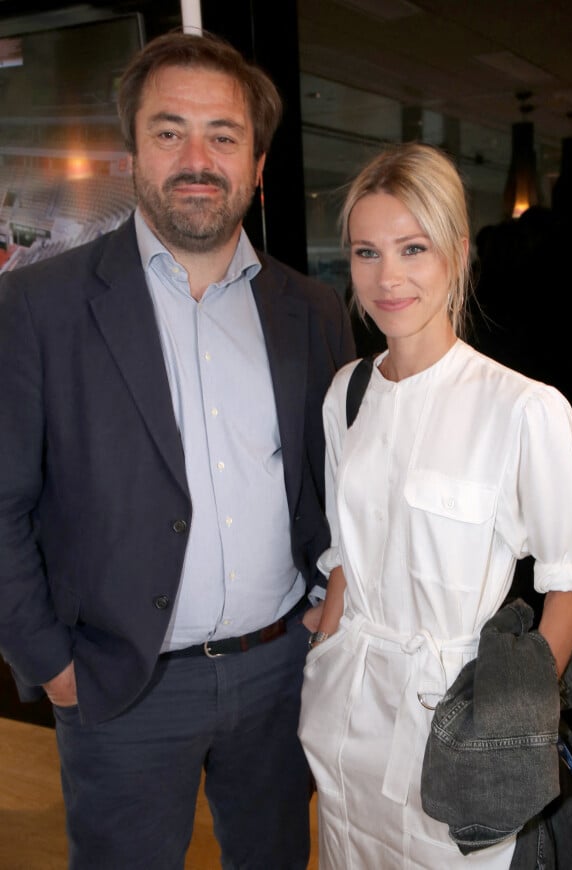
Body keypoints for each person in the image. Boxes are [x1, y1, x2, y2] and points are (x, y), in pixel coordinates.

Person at [0, 31, 355, 870]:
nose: (197, 158)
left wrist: (327, 597)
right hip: (120, 687)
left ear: (258, 163)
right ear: (132, 154)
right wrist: (50, 665)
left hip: (280, 674)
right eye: (169, 131)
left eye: (223, 136)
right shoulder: (36, 307)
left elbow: (341, 481)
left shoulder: (313, 310)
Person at [298, 142, 572, 868]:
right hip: (347, 708)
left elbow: (566, 584)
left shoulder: (523, 408)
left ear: (455, 254)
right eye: (366, 251)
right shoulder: (348, 392)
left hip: (453, 723)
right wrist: (325, 650)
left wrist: (507, 719)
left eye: (412, 248)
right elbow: (345, 558)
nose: (387, 277)